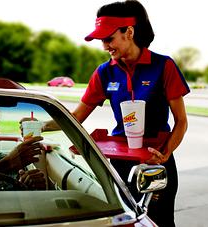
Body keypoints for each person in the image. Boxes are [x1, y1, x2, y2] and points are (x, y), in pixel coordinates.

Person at [41, 1, 190, 226]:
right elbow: (76, 117)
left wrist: (165, 153)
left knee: (159, 222)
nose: (104, 46)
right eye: (102, 41)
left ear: (129, 32)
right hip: (119, 164)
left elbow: (181, 122)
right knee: (123, 222)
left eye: (109, 39)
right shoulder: (104, 72)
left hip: (156, 162)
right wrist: (41, 125)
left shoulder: (163, 66)